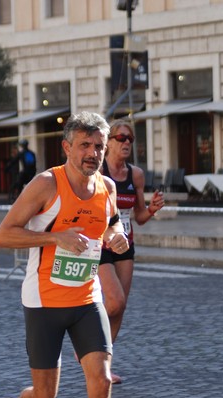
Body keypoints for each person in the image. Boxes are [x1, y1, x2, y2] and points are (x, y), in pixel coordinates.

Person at [0, 112, 129, 398]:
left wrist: (116, 237)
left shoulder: (106, 186)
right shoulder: (46, 184)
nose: (93, 153)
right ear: (66, 147)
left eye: (99, 146)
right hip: (44, 302)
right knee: (46, 396)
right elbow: (3, 234)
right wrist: (55, 236)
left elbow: (113, 224)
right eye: (84, 145)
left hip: (86, 301)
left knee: (101, 384)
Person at [99, 120, 164, 384]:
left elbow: (138, 216)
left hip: (126, 244)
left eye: (130, 139)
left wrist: (152, 209)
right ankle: (89, 341)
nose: (126, 143)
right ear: (109, 142)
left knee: (120, 307)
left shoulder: (135, 175)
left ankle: (103, 364)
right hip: (100, 244)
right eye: (121, 138)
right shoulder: (98, 172)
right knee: (113, 301)